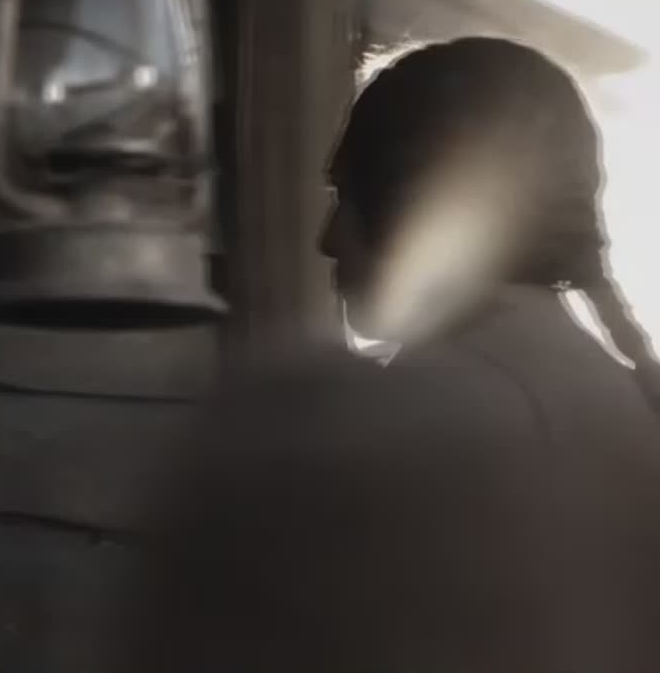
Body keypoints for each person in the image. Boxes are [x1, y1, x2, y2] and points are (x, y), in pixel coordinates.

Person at [136, 37, 660, 673]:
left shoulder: (404, 422)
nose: (327, 240)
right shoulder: (626, 410)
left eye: (346, 194)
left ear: (419, 201)